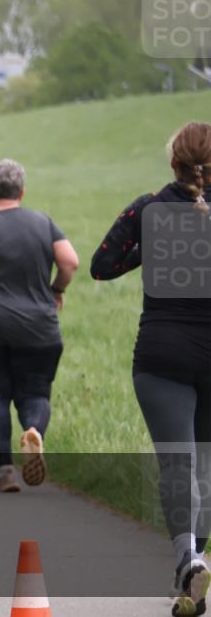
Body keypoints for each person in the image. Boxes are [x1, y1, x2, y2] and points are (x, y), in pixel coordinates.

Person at [90, 121, 210, 617]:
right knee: (206, 464)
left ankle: (188, 559)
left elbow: (102, 265)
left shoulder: (148, 208)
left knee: (178, 463)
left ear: (173, 163)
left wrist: (153, 247)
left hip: (163, 356)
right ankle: (195, 563)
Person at [0, 159, 79, 493]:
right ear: (21, 191)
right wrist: (56, 290)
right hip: (39, 326)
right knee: (35, 393)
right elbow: (70, 262)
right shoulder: (43, 223)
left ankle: (6, 472)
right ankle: (33, 431)